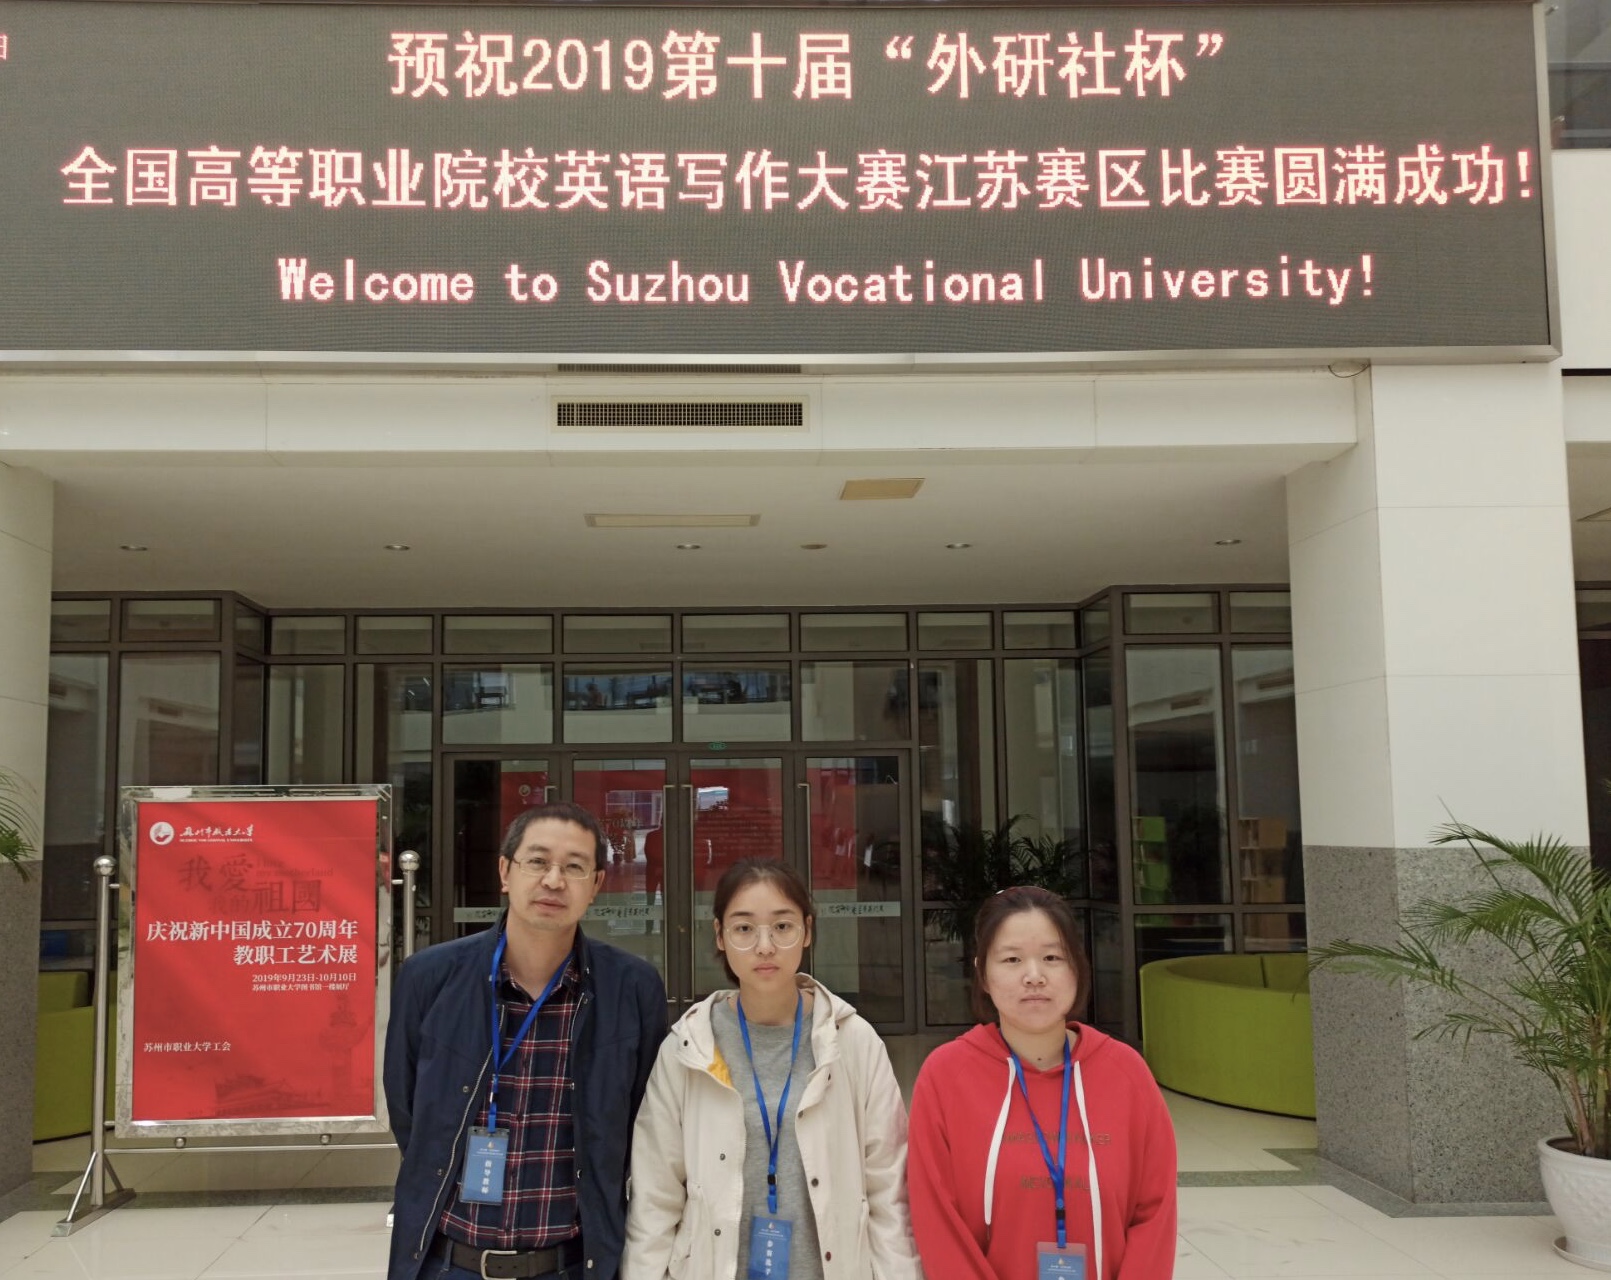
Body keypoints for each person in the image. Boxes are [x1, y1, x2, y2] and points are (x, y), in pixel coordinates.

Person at [384, 801, 669, 1280]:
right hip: (449, 1262)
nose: (553, 880)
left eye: (574, 867)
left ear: (596, 885)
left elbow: (641, 1124)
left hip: (572, 1264)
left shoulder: (632, 989)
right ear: (505, 872)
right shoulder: (429, 978)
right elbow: (407, 1111)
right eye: (537, 861)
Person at [622, 858, 922, 1280]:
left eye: (782, 926)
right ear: (720, 935)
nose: (765, 946)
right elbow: (656, 1196)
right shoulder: (688, 1047)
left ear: (808, 931)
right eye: (744, 928)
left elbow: (888, 1192)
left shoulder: (853, 1041)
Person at [907, 887, 1176, 1280]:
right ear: (982, 973)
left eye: (1052, 957)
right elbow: (936, 1223)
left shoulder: (1126, 1073)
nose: (1034, 976)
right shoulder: (946, 1077)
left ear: (1077, 967)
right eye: (1012, 959)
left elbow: (1155, 1213)